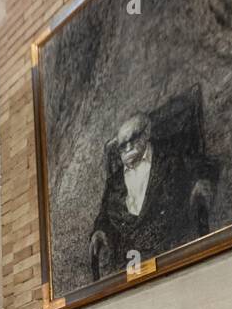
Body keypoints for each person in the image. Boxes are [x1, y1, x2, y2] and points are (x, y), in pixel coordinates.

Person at [89, 110, 214, 282]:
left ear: (146, 133)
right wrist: (99, 231)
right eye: (122, 146)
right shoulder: (115, 180)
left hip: (169, 247)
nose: (127, 149)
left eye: (132, 141)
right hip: (130, 259)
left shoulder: (170, 155)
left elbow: (201, 164)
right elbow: (104, 214)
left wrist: (201, 182)